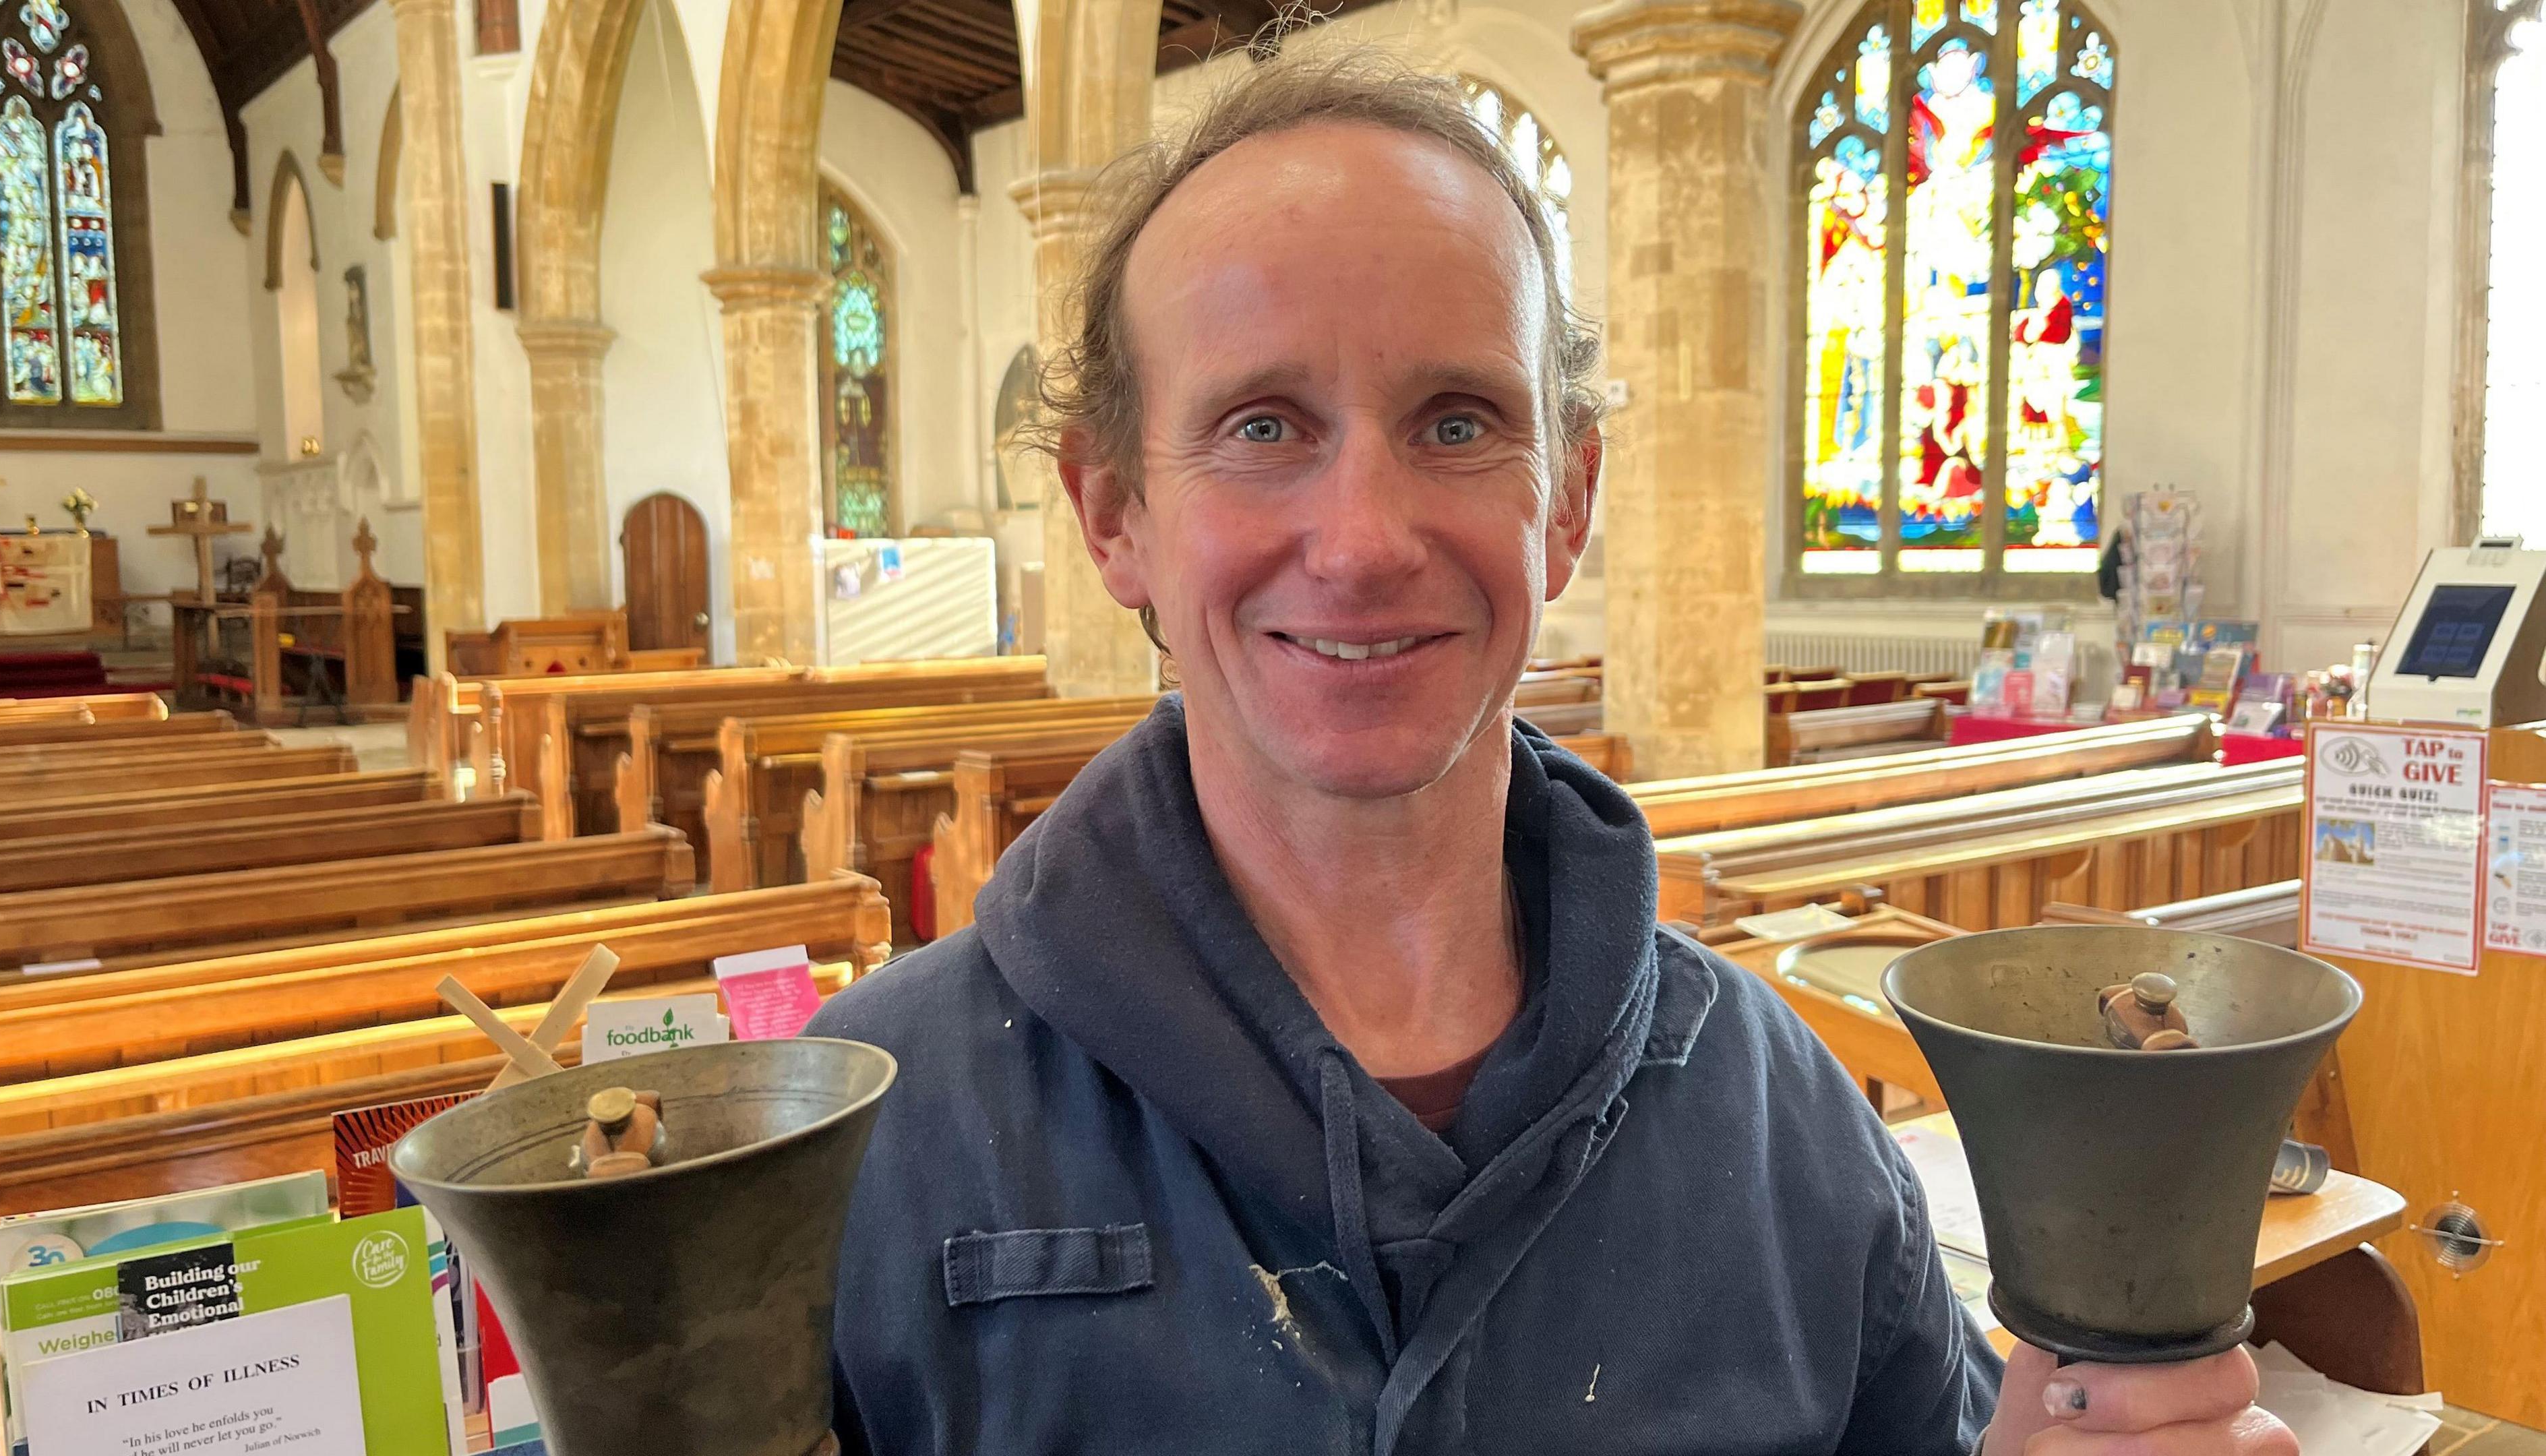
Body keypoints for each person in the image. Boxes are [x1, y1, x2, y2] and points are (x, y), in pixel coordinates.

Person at [809, 46, 2297, 1456]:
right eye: (1263, 427)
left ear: (1566, 502)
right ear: (1114, 513)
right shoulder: (863, 1137)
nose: (1365, 541)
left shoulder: (1774, 1115)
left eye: (1458, 423)